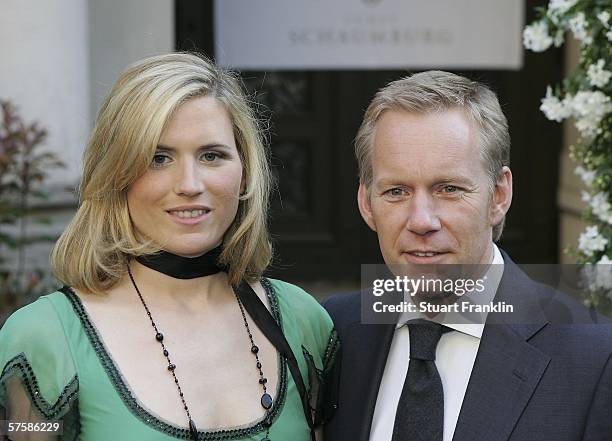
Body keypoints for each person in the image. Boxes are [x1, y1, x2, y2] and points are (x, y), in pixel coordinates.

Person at [0, 53, 337, 441]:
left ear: (245, 170)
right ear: (116, 174)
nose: (189, 184)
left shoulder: (303, 321)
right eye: (159, 158)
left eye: (212, 155)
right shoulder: (44, 336)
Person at [323, 71, 612, 441]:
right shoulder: (337, 331)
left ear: (499, 196)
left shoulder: (596, 360)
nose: (422, 221)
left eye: (448, 189)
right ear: (366, 203)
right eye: (396, 191)